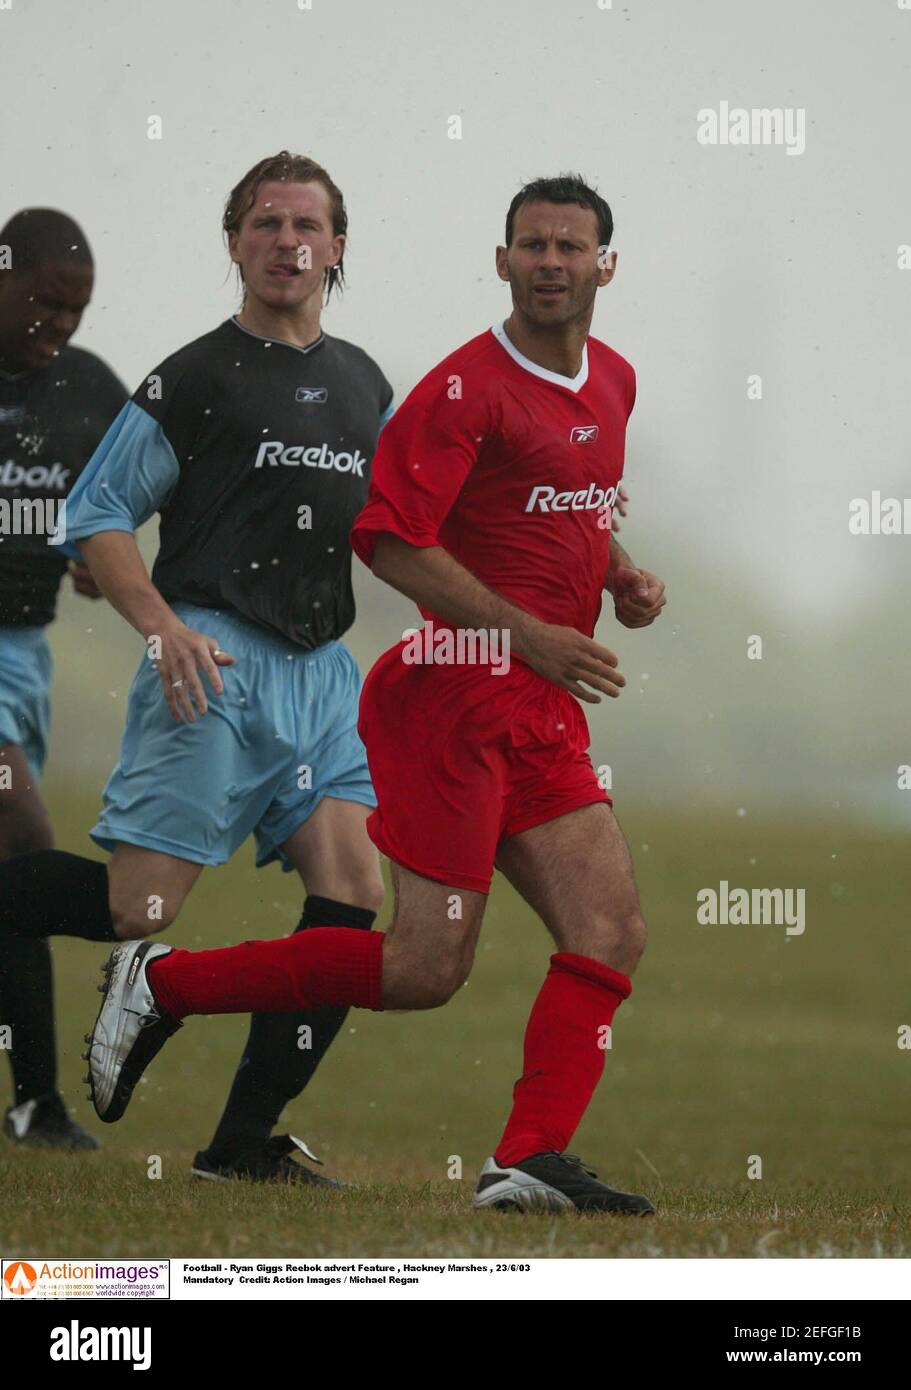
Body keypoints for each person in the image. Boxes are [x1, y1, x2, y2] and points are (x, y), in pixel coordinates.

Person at [84, 172, 667, 1214]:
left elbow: (552, 504)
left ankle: (527, 1157)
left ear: (603, 266)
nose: (547, 262)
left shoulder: (613, 382)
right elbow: (390, 536)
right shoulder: (458, 390)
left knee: (608, 930)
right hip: (449, 704)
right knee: (417, 965)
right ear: (500, 262)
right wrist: (529, 631)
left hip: (536, 709)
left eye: (568, 248)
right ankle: (162, 984)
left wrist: (616, 569)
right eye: (529, 245)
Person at [0, 154, 393, 1185]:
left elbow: (410, 523)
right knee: (142, 912)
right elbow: (94, 514)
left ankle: (240, 1146)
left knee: (353, 891)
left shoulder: (363, 382)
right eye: (263, 222)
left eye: (306, 223)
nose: (285, 240)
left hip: (323, 678)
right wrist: (161, 625)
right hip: (211, 661)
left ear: (338, 248)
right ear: (233, 244)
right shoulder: (193, 375)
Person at [0, 208, 128, 1150]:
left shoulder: (89, 391)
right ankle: (153, 930)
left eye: (77, 310)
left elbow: (112, 511)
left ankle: (36, 1101)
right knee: (23, 832)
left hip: (24, 652)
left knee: (12, 875)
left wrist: (96, 557)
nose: (61, 326)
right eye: (46, 303)